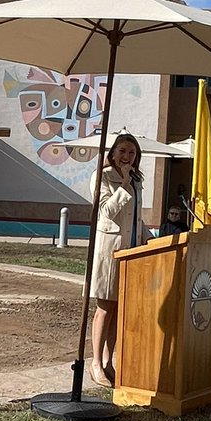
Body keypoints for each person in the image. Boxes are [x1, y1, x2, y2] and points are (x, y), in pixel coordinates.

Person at [89, 133, 150, 388]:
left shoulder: (137, 180)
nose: (127, 156)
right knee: (105, 306)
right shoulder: (102, 176)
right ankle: (95, 363)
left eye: (132, 153)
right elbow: (106, 212)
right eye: (122, 151)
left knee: (118, 308)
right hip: (110, 250)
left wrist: (150, 238)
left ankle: (108, 360)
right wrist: (123, 183)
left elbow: (135, 218)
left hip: (131, 251)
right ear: (113, 153)